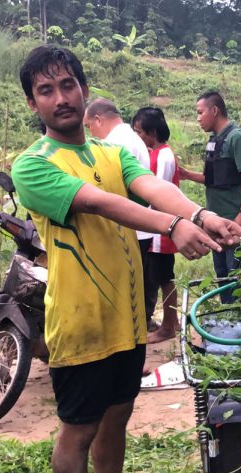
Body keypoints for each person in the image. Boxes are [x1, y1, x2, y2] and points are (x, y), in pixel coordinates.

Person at [11, 45, 241, 473]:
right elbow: (100, 203)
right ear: (33, 104)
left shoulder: (112, 151)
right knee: (79, 428)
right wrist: (174, 225)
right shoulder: (33, 165)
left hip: (125, 317)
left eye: (67, 85)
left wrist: (201, 215)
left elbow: (152, 187)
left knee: (118, 416)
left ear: (83, 89)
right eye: (46, 90)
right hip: (79, 321)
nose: (60, 97)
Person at [83, 99, 162, 332]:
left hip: (127, 228)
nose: (90, 132)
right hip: (138, 227)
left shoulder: (114, 144)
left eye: (89, 126)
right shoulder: (133, 138)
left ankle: (126, 340)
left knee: (123, 291)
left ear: (98, 120)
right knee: (134, 288)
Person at [178, 90, 241, 303]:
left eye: (200, 112)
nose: (198, 118)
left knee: (238, 276)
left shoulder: (236, 138)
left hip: (234, 218)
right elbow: (212, 178)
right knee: (222, 274)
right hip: (215, 221)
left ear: (214, 110)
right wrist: (186, 175)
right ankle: (229, 319)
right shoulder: (214, 140)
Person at [132, 106, 180, 345]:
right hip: (156, 226)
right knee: (158, 274)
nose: (138, 137)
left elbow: (159, 193)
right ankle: (172, 322)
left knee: (164, 276)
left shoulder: (164, 156)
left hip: (161, 227)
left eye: (140, 132)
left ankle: (169, 325)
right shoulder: (157, 152)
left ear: (152, 131)